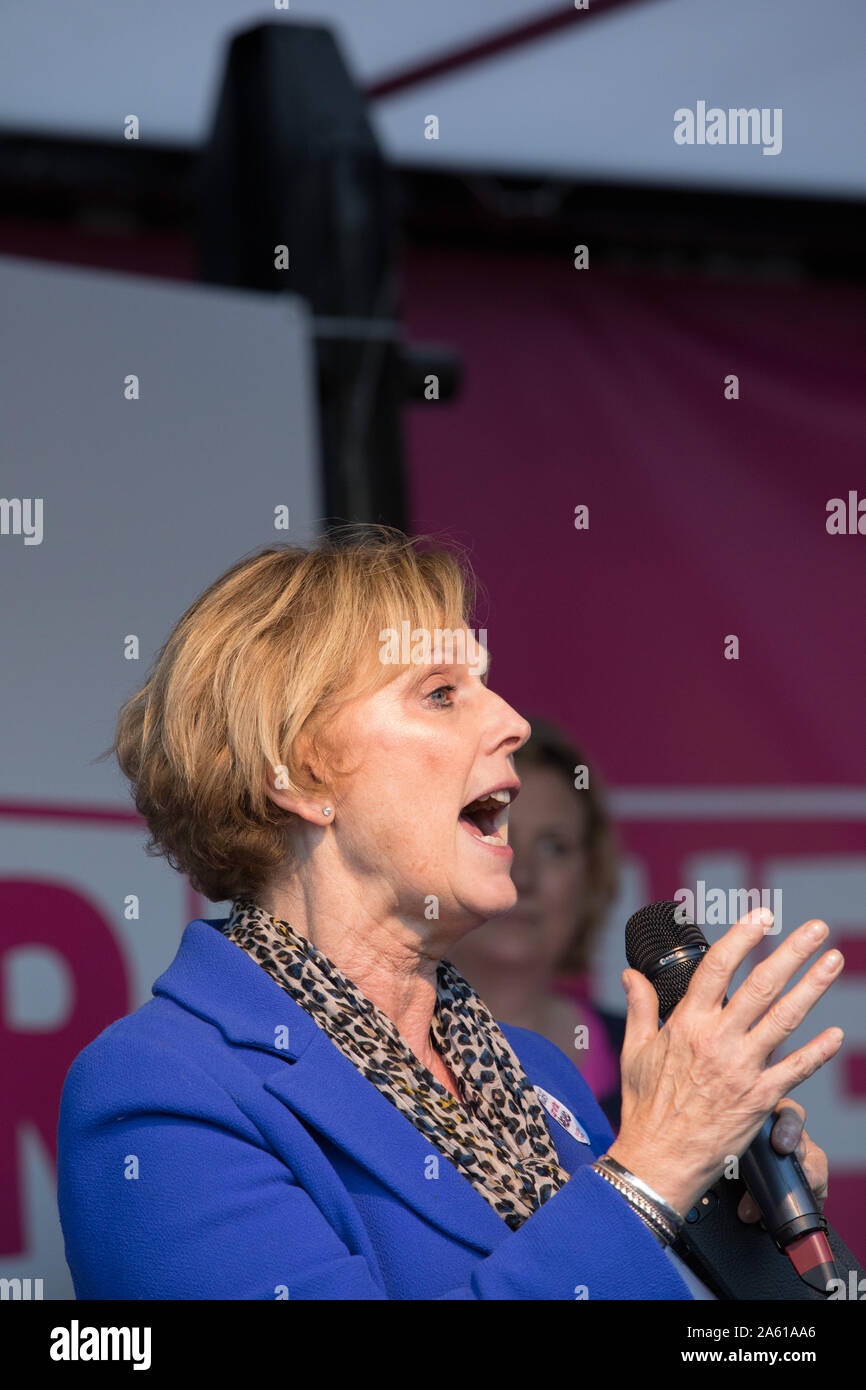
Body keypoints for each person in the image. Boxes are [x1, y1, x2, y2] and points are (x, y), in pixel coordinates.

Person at [57, 528, 838, 1299]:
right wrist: (654, 1170)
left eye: (486, 683)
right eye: (440, 693)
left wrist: (728, 1214)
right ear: (297, 775)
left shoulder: (536, 1075)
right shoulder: (162, 1089)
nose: (512, 721)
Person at [450, 718, 627, 1131]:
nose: (523, 875)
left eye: (553, 847)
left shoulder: (651, 1057)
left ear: (591, 875)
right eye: (495, 831)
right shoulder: (377, 1053)